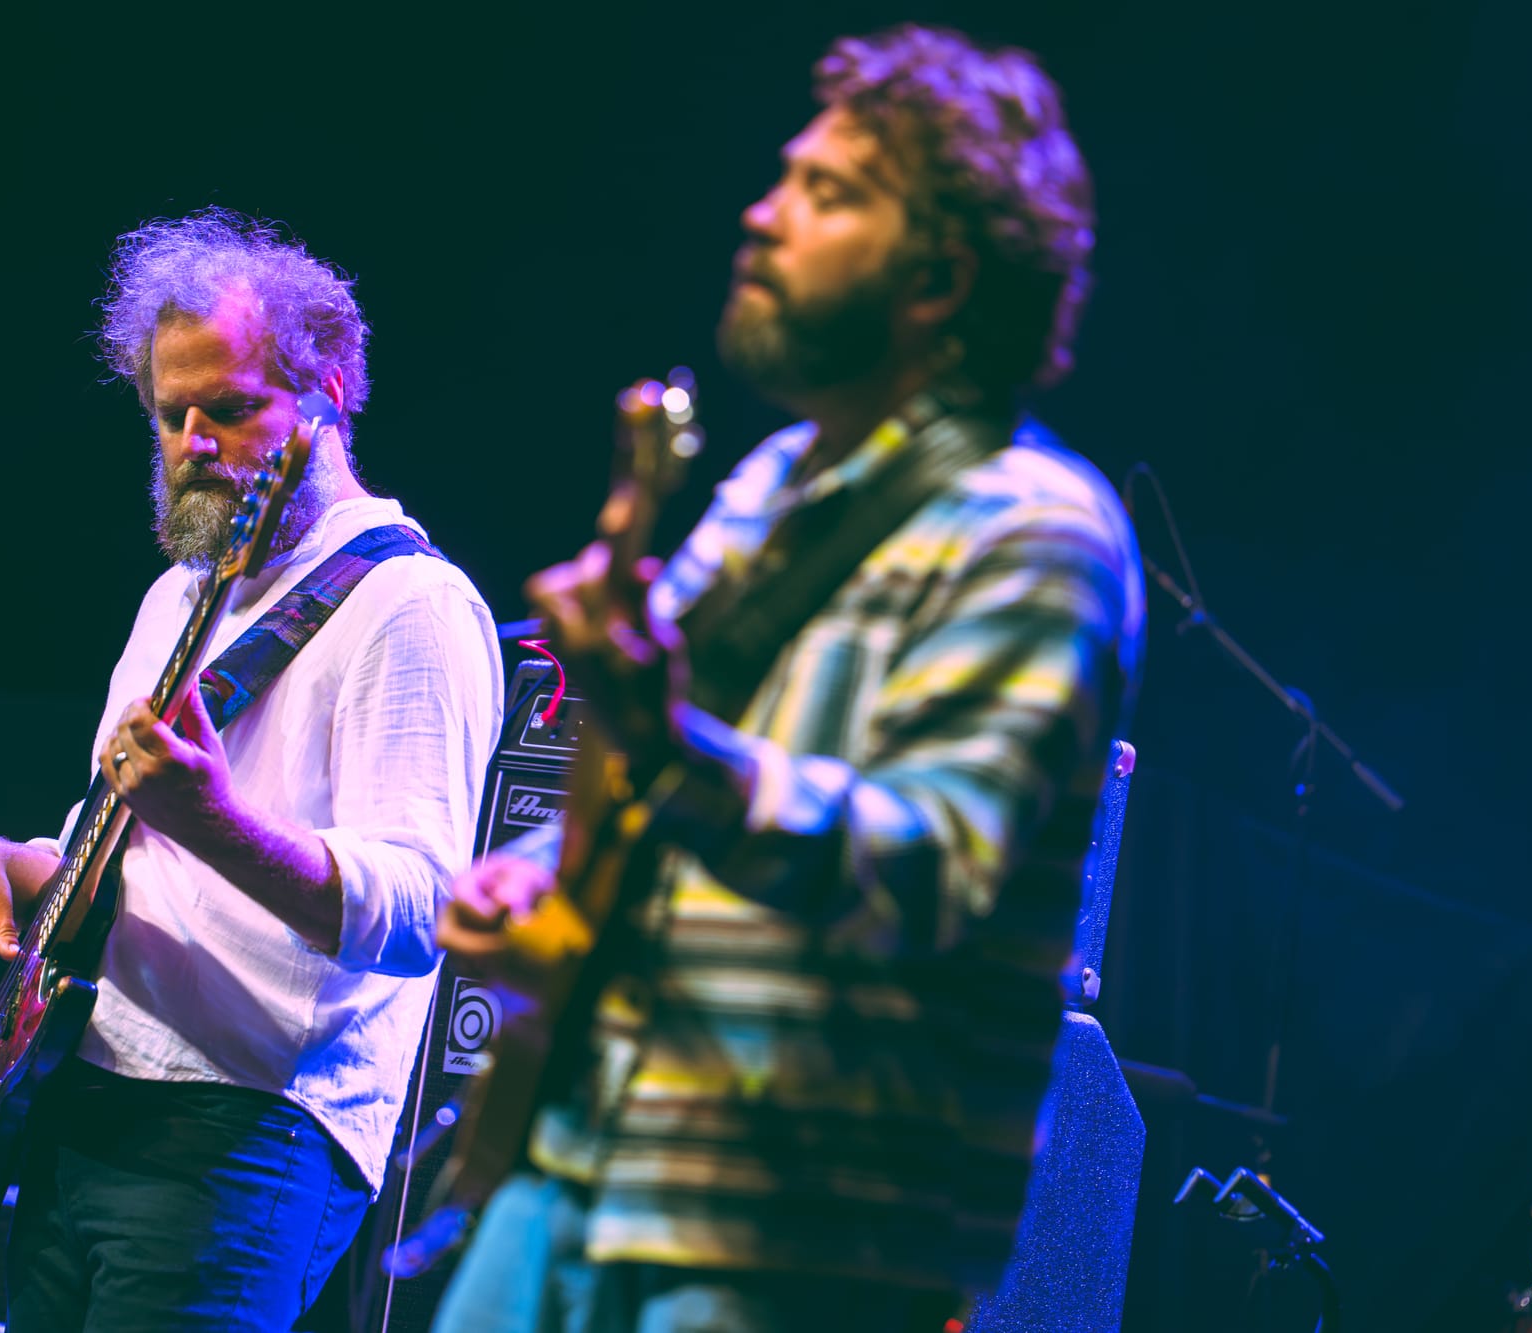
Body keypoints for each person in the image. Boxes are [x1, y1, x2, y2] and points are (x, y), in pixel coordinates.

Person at [433, 23, 1145, 1333]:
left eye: (829, 192)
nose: (763, 215)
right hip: (573, 1161)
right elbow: (650, 791)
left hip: (792, 1232)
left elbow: (932, 865)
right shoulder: (769, 484)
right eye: (783, 178)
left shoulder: (1037, 530)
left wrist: (669, 747)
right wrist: (531, 875)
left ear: (938, 276)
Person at [0, 211, 503, 1333]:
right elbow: (122, 849)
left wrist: (212, 818)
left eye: (228, 408)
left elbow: (425, 910)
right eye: (168, 414)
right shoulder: (181, 595)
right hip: (84, 1093)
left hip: (242, 1133)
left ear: (327, 392)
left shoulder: (408, 604)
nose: (193, 442)